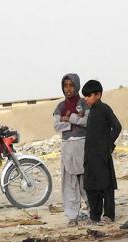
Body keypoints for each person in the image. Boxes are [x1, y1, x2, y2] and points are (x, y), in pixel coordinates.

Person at [81, 79, 122, 224]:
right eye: (85, 96)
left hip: (102, 155)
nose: (86, 99)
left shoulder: (104, 108)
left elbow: (117, 127)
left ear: (98, 94)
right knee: (91, 186)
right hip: (90, 156)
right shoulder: (91, 111)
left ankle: (108, 215)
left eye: (89, 96)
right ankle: (94, 216)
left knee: (106, 186)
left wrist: (108, 145)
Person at [53, 73, 89, 225]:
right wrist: (75, 121)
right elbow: (56, 125)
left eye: (71, 85)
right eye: (65, 85)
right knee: (69, 182)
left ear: (77, 86)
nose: (68, 89)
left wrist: (70, 118)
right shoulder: (60, 106)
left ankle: (93, 211)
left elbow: (87, 121)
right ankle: (72, 216)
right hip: (67, 147)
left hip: (82, 145)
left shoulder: (84, 102)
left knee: (86, 181)